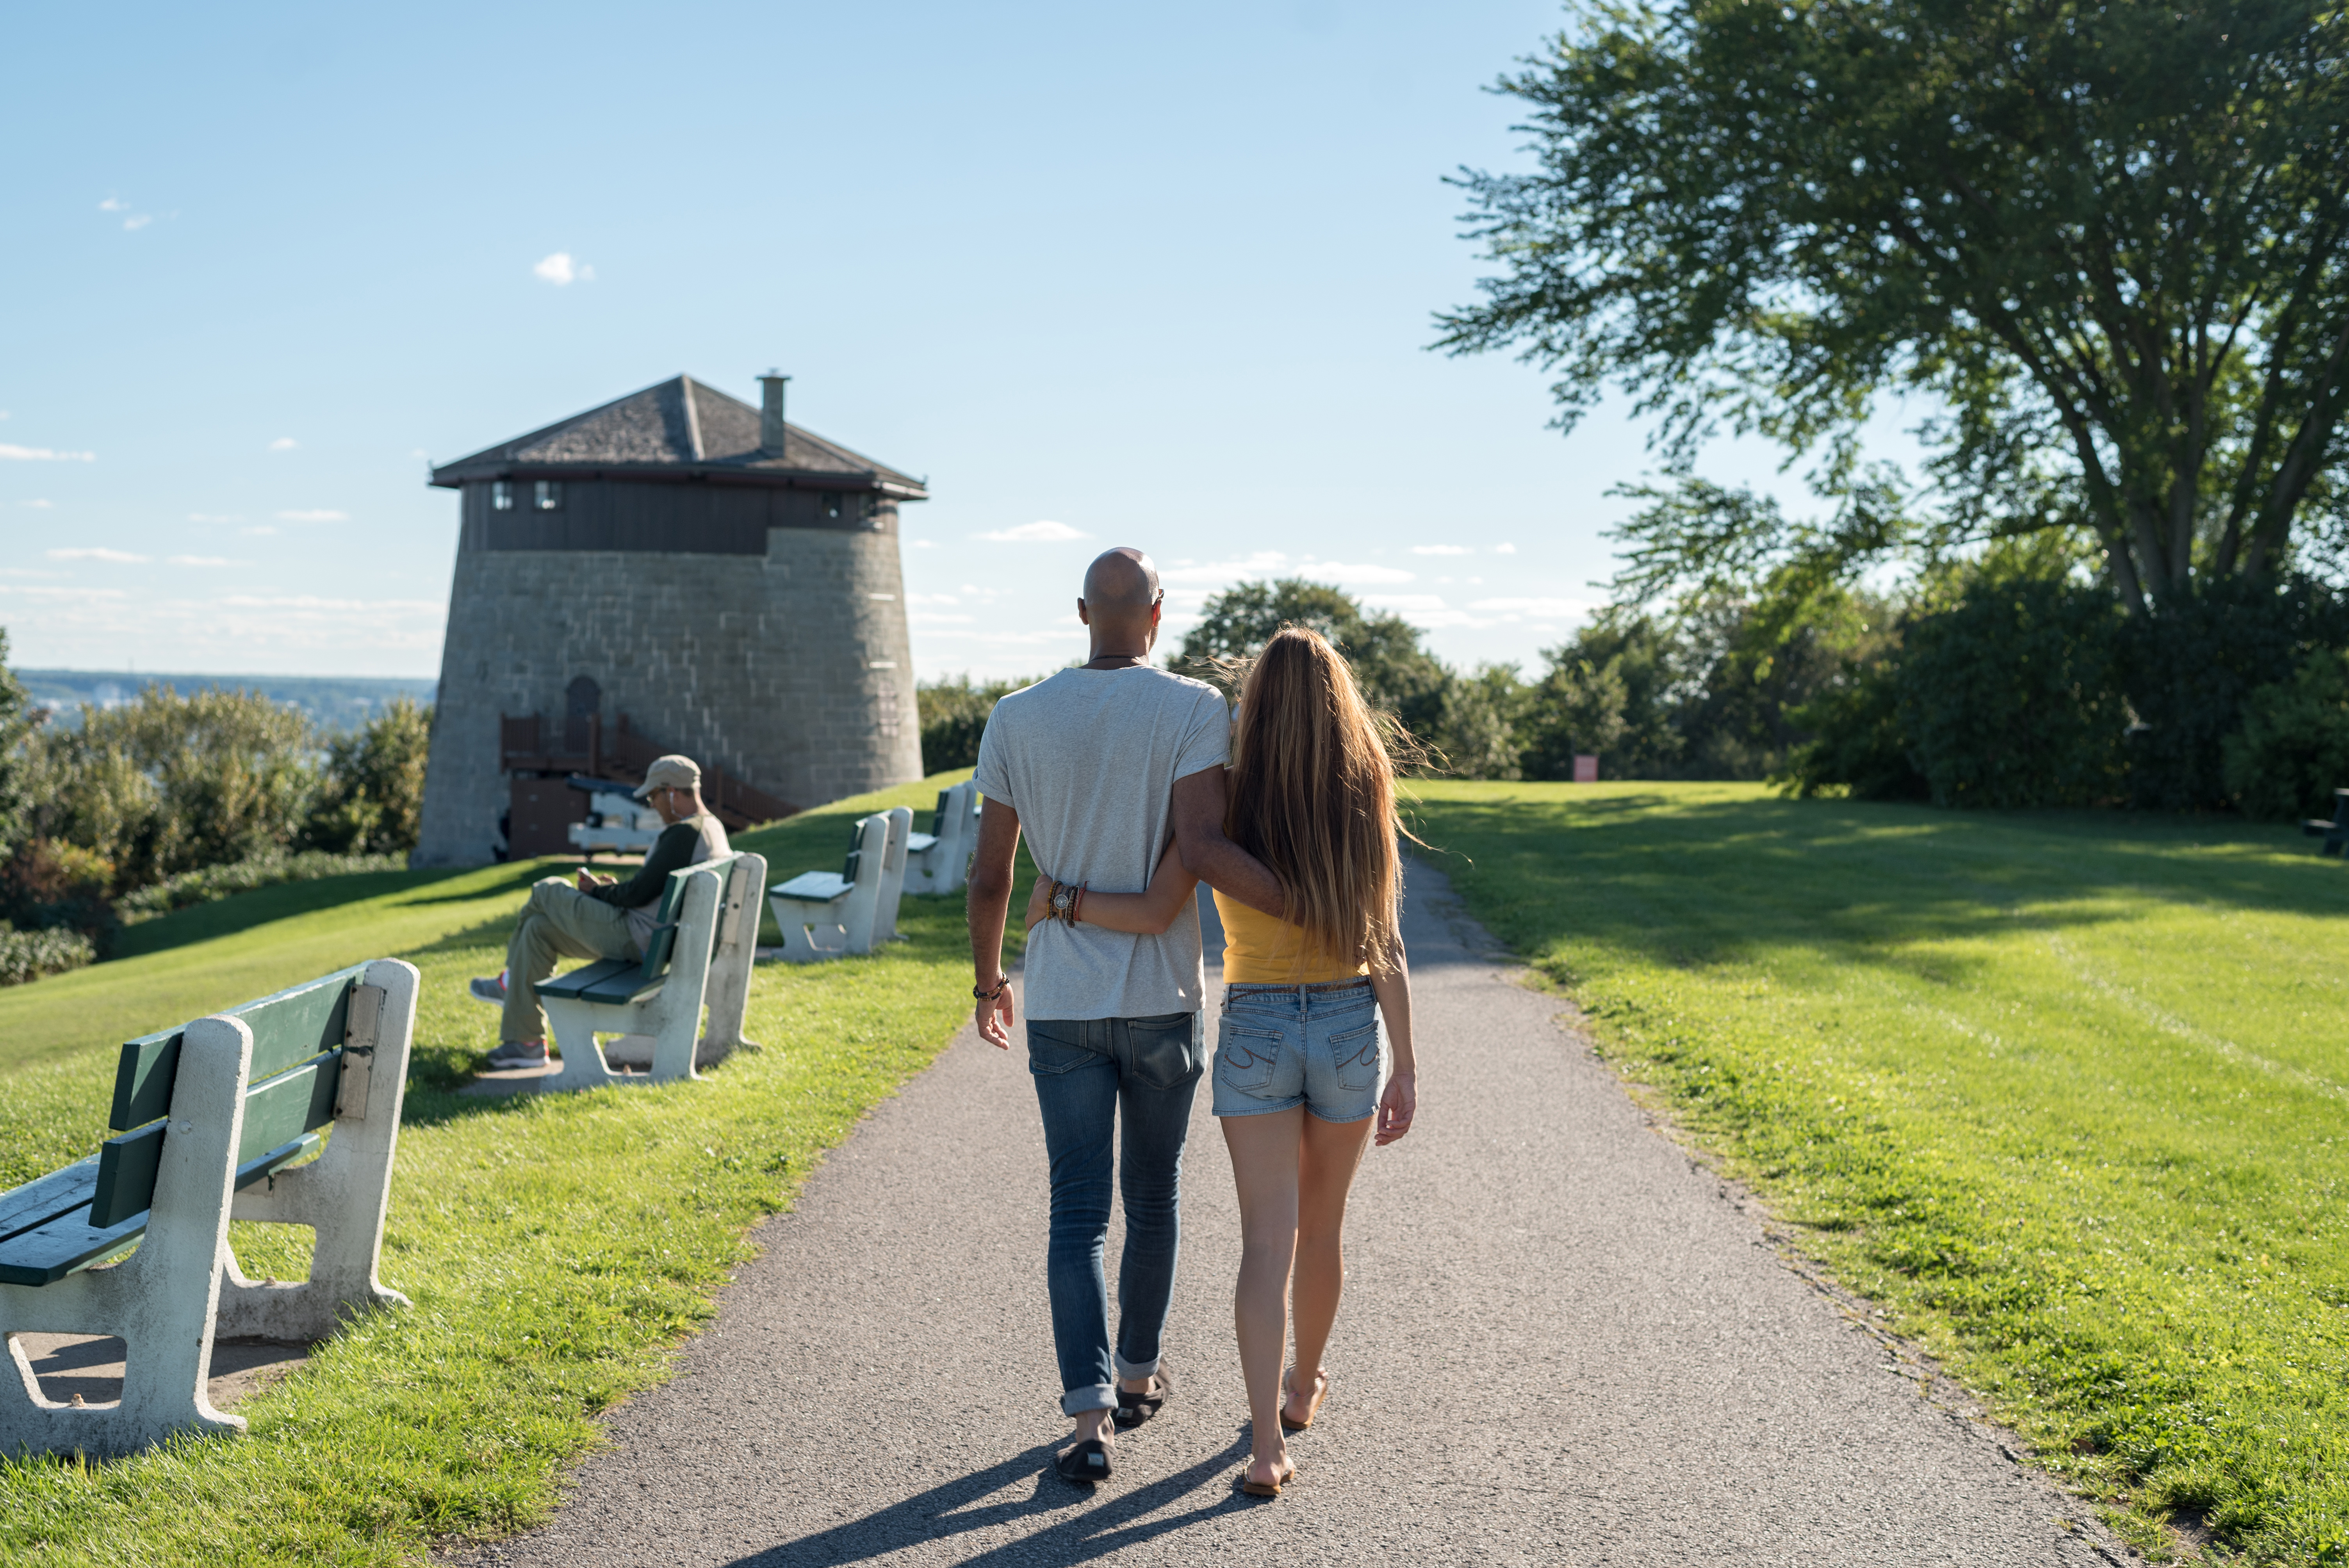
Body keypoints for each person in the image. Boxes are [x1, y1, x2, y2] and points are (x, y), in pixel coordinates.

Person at [1023, 624, 1418, 1498]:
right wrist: (1407, 1063)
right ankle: (1304, 1385)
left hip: (1256, 1028)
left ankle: (1265, 1450)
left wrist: (1056, 898)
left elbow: (1160, 903)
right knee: (1324, 1229)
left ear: (1255, 707)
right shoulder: (1365, 788)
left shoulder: (1224, 803)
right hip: (1352, 1021)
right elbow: (1383, 936)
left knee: (1264, 1240)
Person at [966, 547, 1287, 1486]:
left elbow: (992, 874)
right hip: (1160, 997)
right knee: (1152, 1198)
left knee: (1077, 1214)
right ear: (1156, 613)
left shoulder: (1015, 717)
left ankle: (1087, 1415)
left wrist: (989, 984)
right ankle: (1141, 1370)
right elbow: (1201, 842)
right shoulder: (1192, 708)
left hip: (1062, 1000)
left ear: (1080, 613)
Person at [471, 754, 730, 1067]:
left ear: (671, 792)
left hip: (638, 938)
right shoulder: (712, 828)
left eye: (653, 796)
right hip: (657, 939)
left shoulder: (684, 833)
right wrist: (611, 889)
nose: (652, 804)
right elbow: (650, 889)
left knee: (546, 889)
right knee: (537, 929)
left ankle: (509, 982)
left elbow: (637, 894)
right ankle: (526, 1044)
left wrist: (599, 891)